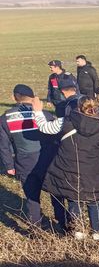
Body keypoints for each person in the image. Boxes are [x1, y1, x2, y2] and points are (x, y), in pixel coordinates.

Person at [33, 96, 99, 240]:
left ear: (77, 107)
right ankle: (97, 231)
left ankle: (78, 230)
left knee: (73, 198)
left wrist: (38, 112)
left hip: (70, 167)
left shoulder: (65, 121)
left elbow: (44, 127)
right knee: (94, 198)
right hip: (93, 169)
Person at [0, 85, 58, 227]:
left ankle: (36, 226)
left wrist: (9, 165)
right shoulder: (44, 114)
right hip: (47, 160)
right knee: (56, 193)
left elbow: (4, 145)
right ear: (33, 97)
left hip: (24, 162)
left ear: (14, 97)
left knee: (32, 196)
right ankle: (63, 222)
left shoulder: (5, 118)